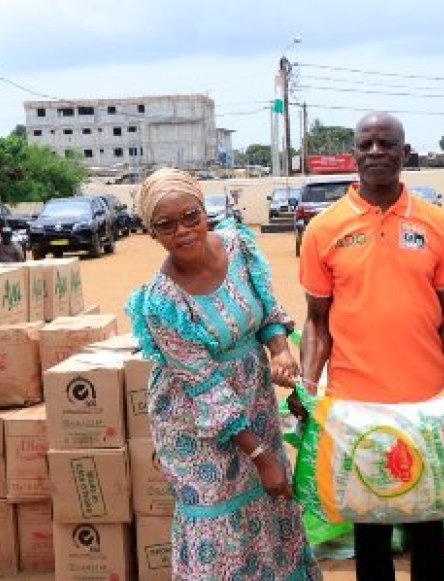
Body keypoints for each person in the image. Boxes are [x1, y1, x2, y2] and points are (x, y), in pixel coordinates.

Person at [125, 168, 320, 580]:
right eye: (166, 224)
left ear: (204, 210)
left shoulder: (237, 247)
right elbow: (206, 388)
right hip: (196, 426)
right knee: (217, 517)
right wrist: (261, 455)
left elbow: (267, 310)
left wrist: (280, 350)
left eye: (191, 216)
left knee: (270, 504)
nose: (183, 231)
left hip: (255, 403)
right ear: (151, 231)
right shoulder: (162, 302)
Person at [298, 111, 444, 581]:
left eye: (386, 144)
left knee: (428, 529)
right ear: (354, 153)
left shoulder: (437, 225)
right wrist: (307, 386)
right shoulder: (323, 229)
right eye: (367, 144)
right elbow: (316, 323)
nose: (376, 152)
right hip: (357, 409)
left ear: (404, 152)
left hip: (427, 405)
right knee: (370, 536)